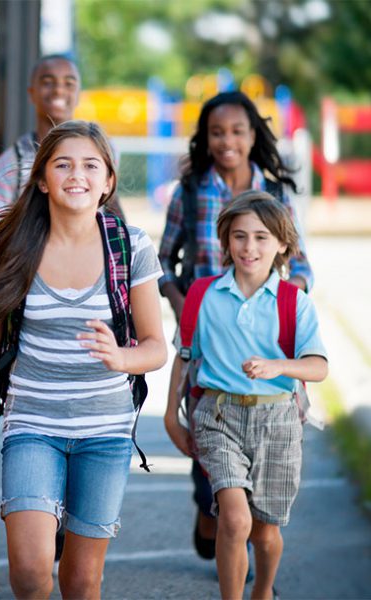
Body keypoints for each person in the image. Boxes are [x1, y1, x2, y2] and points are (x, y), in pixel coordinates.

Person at [0, 120, 167, 599]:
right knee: (29, 573)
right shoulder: (13, 245)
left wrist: (120, 356)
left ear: (108, 182)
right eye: (62, 163)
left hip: (105, 431)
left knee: (82, 581)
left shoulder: (129, 246)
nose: (77, 175)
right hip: (32, 425)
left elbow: (155, 347)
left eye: (91, 165)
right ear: (42, 178)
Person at [158, 90, 314, 560]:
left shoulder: (277, 194)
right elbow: (164, 259)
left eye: (237, 131)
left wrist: (291, 299)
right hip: (206, 337)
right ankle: (213, 512)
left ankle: (242, 542)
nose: (227, 140)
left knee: (260, 476)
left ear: (253, 136)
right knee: (208, 448)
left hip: (264, 342)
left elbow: (300, 262)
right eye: (217, 132)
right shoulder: (189, 190)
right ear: (206, 139)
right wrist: (184, 301)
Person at [165, 190, 327, 600]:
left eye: (261, 237)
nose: (249, 247)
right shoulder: (202, 296)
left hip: (278, 424)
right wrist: (171, 417)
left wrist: (280, 367)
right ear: (225, 241)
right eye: (239, 236)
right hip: (218, 417)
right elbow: (184, 358)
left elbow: (319, 367)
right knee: (234, 520)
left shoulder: (295, 303)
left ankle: (264, 591)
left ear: (282, 245)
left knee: (265, 530)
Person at [0, 54, 123, 234]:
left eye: (69, 83)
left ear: (78, 93)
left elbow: (111, 207)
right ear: (31, 93)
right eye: (48, 82)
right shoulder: (10, 164)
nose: (58, 90)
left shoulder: (104, 150)